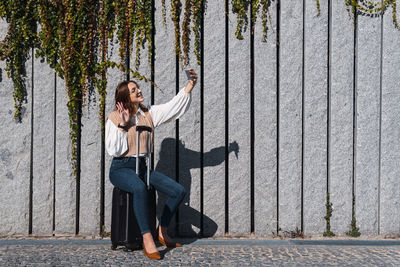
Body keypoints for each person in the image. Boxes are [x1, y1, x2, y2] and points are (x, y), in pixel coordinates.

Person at [105, 69, 198, 260]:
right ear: (125, 97)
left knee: (178, 191)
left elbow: (173, 107)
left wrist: (190, 85)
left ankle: (162, 231)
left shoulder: (149, 113)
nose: (139, 90)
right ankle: (148, 238)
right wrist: (123, 125)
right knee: (139, 188)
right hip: (121, 167)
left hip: (143, 168)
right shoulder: (115, 117)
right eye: (133, 90)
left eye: (137, 88)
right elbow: (114, 150)